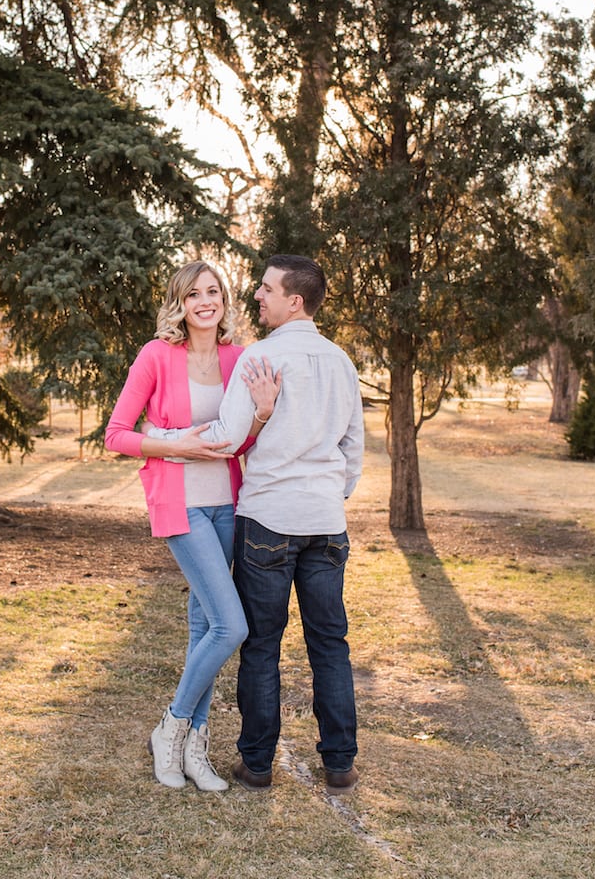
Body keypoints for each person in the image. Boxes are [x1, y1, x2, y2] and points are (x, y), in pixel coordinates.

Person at [150, 255, 364, 794]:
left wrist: (162, 440)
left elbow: (226, 435)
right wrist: (329, 495)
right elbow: (353, 449)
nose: (258, 296)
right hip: (326, 523)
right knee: (330, 642)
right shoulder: (341, 361)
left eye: (267, 289)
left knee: (262, 643)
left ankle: (258, 765)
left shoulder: (261, 357)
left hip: (268, 518)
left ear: (295, 300)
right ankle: (340, 763)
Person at [104, 260, 279, 793]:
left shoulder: (238, 359)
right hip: (180, 505)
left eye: (213, 291)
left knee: (205, 626)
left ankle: (194, 748)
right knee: (231, 625)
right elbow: (116, 434)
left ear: (224, 300)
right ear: (179, 305)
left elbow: (239, 442)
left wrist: (262, 413)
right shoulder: (156, 356)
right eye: (194, 294)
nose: (206, 301)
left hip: (228, 503)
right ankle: (172, 727)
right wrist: (173, 443)